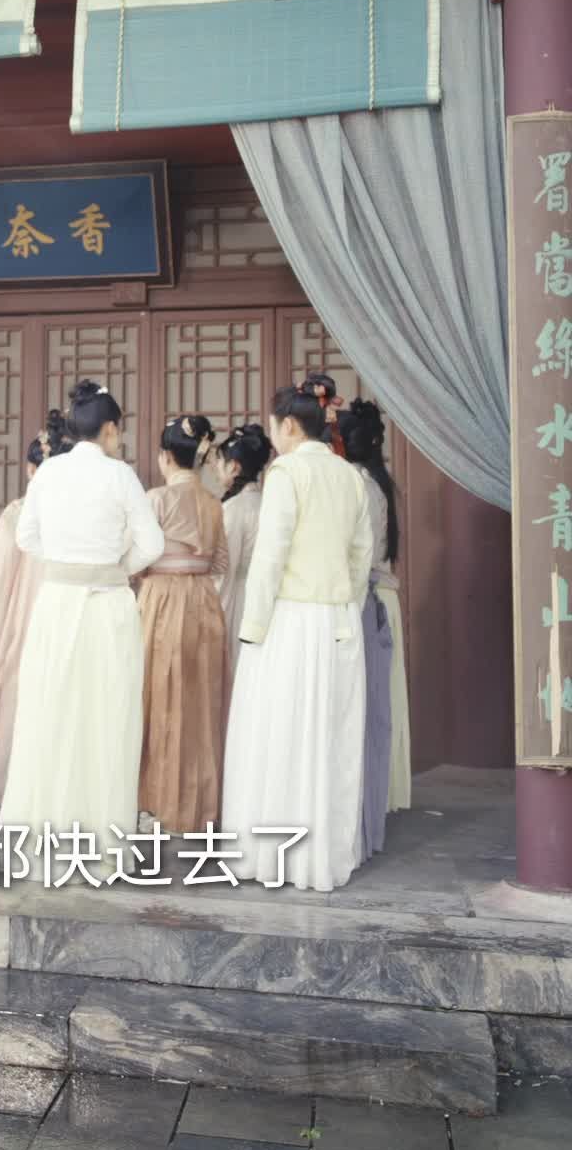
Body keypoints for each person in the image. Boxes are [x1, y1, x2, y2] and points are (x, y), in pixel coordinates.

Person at [0, 378, 164, 875]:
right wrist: (113, 567)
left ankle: (37, 841)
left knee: (49, 715)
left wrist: (64, 562)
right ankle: (101, 845)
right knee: (107, 718)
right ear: (110, 429)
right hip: (108, 606)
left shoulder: (49, 473)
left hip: (56, 604)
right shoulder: (121, 476)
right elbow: (152, 544)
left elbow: (26, 536)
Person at [221, 378, 372, 892]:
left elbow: (270, 556)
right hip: (338, 619)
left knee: (279, 734)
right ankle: (322, 857)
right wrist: (346, 603)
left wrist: (253, 627)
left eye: (274, 424)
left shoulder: (287, 472)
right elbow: (361, 555)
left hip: (289, 619)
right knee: (330, 739)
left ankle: (273, 854)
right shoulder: (350, 476)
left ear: (288, 425)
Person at [0, 409, 72, 806]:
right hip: (65, 604)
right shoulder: (73, 510)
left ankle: (12, 775)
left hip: (24, 606)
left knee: (19, 683)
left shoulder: (17, 512)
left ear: (31, 469)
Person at [137, 415, 230, 831]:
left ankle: (155, 801)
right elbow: (222, 563)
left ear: (165, 457)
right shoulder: (213, 503)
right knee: (200, 701)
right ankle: (199, 803)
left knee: (157, 697)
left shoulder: (156, 499)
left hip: (161, 600)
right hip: (203, 601)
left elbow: (137, 559)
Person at [339, 397, 411, 815]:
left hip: (368, 597)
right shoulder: (378, 481)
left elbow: (357, 555)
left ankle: (367, 794)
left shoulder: (356, 483)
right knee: (381, 699)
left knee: (365, 699)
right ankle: (381, 792)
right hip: (382, 594)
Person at [214, 422, 273, 674]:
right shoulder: (267, 503)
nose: (216, 467)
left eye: (220, 461)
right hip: (267, 599)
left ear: (234, 466)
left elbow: (225, 571)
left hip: (239, 601)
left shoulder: (234, 509)